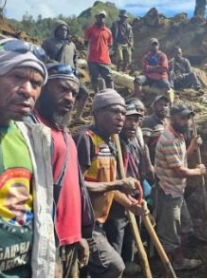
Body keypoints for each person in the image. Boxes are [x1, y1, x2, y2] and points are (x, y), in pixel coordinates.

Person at [31, 63, 94, 277]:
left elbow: (75, 189)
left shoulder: (65, 133)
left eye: (74, 93)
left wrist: (79, 234)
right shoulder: (31, 130)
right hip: (45, 246)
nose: (69, 98)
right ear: (43, 87)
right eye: (62, 89)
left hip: (69, 241)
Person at [0, 39, 56, 277]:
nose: (27, 90)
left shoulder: (34, 139)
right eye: (17, 77)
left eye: (36, 83)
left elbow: (42, 211)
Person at [73, 89, 143, 278]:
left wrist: (131, 205)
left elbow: (108, 186)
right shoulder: (85, 139)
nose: (120, 117)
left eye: (122, 112)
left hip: (98, 223)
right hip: (83, 224)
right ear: (96, 113)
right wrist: (116, 184)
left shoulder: (109, 144)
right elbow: (76, 186)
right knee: (115, 266)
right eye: (114, 112)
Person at [154, 104, 206, 270]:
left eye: (188, 118)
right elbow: (179, 171)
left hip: (177, 191)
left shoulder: (179, 135)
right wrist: (198, 172)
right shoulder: (169, 139)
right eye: (182, 118)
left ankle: (179, 256)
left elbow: (181, 158)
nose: (186, 122)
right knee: (171, 232)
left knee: (184, 225)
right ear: (172, 117)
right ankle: (174, 264)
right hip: (168, 192)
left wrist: (192, 146)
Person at [103, 102, 147, 276]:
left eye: (136, 120)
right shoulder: (114, 145)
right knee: (117, 236)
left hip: (135, 197)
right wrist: (125, 199)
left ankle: (129, 264)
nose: (132, 124)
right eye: (129, 119)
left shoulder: (134, 143)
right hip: (118, 199)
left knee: (132, 233)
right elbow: (111, 179)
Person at [42, 20, 90, 124]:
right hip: (56, 75)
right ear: (56, 30)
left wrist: (76, 71)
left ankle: (77, 117)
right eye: (61, 29)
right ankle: (53, 119)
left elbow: (75, 59)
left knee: (84, 92)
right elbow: (44, 57)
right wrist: (57, 65)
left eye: (65, 29)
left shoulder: (71, 44)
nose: (63, 31)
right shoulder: (48, 42)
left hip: (72, 75)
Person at [84, 10, 114, 92]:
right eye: (99, 17)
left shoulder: (108, 32)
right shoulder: (90, 29)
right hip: (92, 59)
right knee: (94, 78)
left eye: (103, 17)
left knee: (108, 78)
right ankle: (97, 95)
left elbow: (110, 45)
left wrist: (105, 52)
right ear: (96, 18)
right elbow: (86, 42)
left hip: (105, 60)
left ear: (105, 19)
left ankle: (112, 95)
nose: (101, 19)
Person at [141, 95, 170, 167]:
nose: (163, 107)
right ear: (154, 106)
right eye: (160, 104)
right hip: (156, 163)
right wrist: (149, 165)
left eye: (165, 105)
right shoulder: (149, 121)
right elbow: (144, 145)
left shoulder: (168, 122)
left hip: (168, 163)